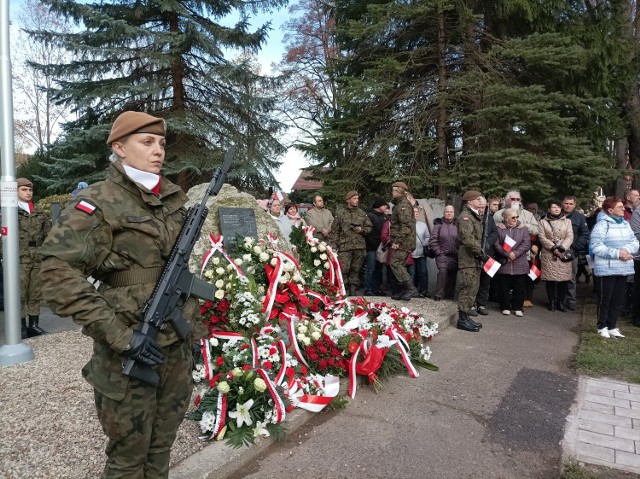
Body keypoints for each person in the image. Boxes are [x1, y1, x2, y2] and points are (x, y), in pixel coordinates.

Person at [39, 111, 202, 478]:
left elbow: (179, 273)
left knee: (162, 446)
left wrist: (194, 335)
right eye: (146, 142)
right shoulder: (98, 201)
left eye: (161, 143)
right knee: (128, 457)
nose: (158, 150)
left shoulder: (171, 200)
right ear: (119, 148)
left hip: (175, 344)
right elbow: (55, 273)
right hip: (129, 343)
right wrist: (119, 336)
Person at [590, 196, 639, 338]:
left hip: (623, 267)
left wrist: (626, 251)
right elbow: (596, 247)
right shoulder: (601, 225)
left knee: (617, 299)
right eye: (619, 207)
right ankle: (602, 326)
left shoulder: (625, 224)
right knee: (605, 299)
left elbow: (634, 241)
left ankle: (612, 325)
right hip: (607, 269)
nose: (623, 208)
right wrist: (618, 253)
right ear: (610, 210)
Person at [11, 178, 52, 338]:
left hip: (37, 256)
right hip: (19, 257)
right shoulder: (10, 210)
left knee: (35, 292)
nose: (28, 193)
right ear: (16, 191)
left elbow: (48, 233)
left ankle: (33, 324)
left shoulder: (39, 211)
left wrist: (47, 252)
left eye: (30, 190)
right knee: (19, 293)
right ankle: (20, 326)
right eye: (24, 190)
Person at [329, 190, 372, 296]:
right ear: (348, 200)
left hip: (359, 246)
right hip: (345, 246)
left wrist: (361, 230)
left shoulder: (362, 213)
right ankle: (343, 289)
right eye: (354, 198)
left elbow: (369, 227)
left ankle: (353, 289)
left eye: (357, 198)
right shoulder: (340, 213)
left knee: (356, 269)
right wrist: (334, 246)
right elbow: (335, 231)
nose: (357, 201)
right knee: (344, 269)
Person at [456, 190, 485, 332]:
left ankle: (466, 315)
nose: (480, 201)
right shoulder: (465, 217)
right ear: (469, 201)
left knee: (473, 288)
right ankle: (462, 319)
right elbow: (467, 239)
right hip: (468, 258)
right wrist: (480, 253)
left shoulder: (474, 215)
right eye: (477, 199)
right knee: (467, 288)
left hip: (474, 258)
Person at [494, 208, 531, 316]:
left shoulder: (523, 228)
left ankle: (518, 307)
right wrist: (507, 254)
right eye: (513, 217)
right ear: (505, 218)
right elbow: (496, 244)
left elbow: (526, 243)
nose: (515, 219)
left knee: (519, 286)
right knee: (504, 286)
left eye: (517, 217)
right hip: (505, 260)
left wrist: (515, 253)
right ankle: (505, 306)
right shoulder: (499, 228)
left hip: (519, 261)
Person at [539, 200, 574, 311]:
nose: (557, 209)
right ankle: (552, 301)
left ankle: (560, 302)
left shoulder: (567, 221)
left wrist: (562, 247)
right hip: (549, 253)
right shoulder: (543, 222)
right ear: (549, 209)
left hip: (563, 253)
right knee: (551, 279)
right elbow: (541, 237)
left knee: (563, 279)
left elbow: (570, 236)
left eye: (558, 207)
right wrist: (553, 247)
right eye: (554, 207)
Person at [387, 182, 419, 300]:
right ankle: (404, 291)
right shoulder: (400, 204)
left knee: (395, 263)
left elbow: (406, 225)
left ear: (399, 191)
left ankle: (410, 288)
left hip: (404, 241)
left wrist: (397, 241)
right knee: (400, 265)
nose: (392, 193)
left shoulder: (403, 205)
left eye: (394, 190)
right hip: (403, 240)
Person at [561, 196, 590, 311]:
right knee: (557, 277)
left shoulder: (580, 218)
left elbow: (585, 234)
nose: (568, 206)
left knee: (571, 277)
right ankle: (558, 300)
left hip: (572, 252)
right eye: (566, 203)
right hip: (557, 251)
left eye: (571, 204)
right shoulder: (556, 215)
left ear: (574, 205)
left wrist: (575, 247)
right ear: (562, 204)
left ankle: (571, 301)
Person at [474, 196, 498, 316]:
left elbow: (495, 233)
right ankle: (472, 304)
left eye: (483, 207)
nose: (481, 209)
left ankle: (481, 304)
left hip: (488, 253)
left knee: (485, 281)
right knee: (474, 281)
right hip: (475, 253)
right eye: (479, 207)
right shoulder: (472, 218)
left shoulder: (489, 218)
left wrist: (488, 243)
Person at [429, 204, 459, 301]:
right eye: (447, 212)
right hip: (442, 254)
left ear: (454, 213)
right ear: (444, 213)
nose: (449, 213)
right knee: (442, 272)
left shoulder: (458, 225)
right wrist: (438, 252)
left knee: (452, 275)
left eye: (451, 212)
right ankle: (438, 294)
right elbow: (433, 240)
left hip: (455, 255)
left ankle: (449, 295)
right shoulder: (438, 225)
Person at [364, 197, 389, 295]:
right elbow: (368, 231)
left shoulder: (385, 217)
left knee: (379, 269)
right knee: (371, 268)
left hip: (382, 247)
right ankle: (368, 289)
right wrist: (373, 243)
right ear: (378, 206)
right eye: (384, 205)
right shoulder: (370, 215)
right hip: (372, 247)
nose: (385, 207)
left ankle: (377, 288)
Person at [410, 206, 430, 298]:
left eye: (417, 212)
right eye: (414, 212)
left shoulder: (423, 225)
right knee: (412, 273)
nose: (416, 213)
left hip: (421, 253)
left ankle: (423, 290)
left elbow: (427, 236)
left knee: (423, 272)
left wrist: (425, 243)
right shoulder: (407, 225)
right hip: (410, 253)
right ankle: (412, 291)